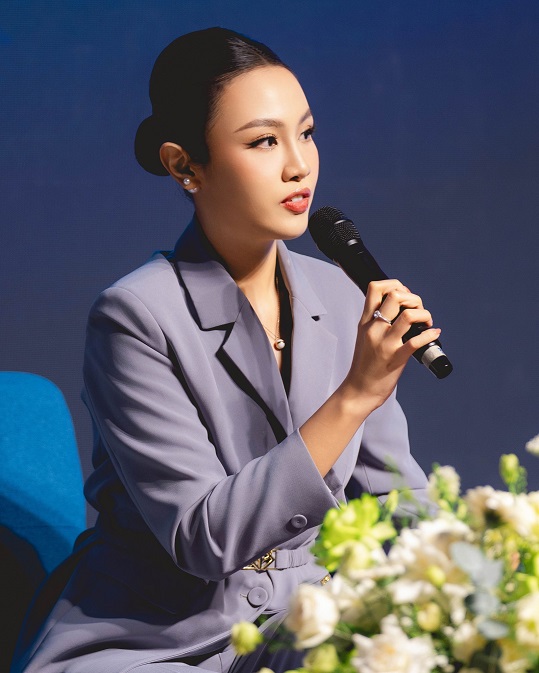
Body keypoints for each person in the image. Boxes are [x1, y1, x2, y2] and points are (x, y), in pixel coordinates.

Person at [12, 27, 440, 673]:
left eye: (306, 132)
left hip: (302, 621)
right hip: (159, 638)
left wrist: (470, 577)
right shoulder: (133, 316)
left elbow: (391, 496)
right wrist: (357, 394)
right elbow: (203, 538)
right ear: (184, 165)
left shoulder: (340, 292)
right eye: (264, 141)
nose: (298, 164)